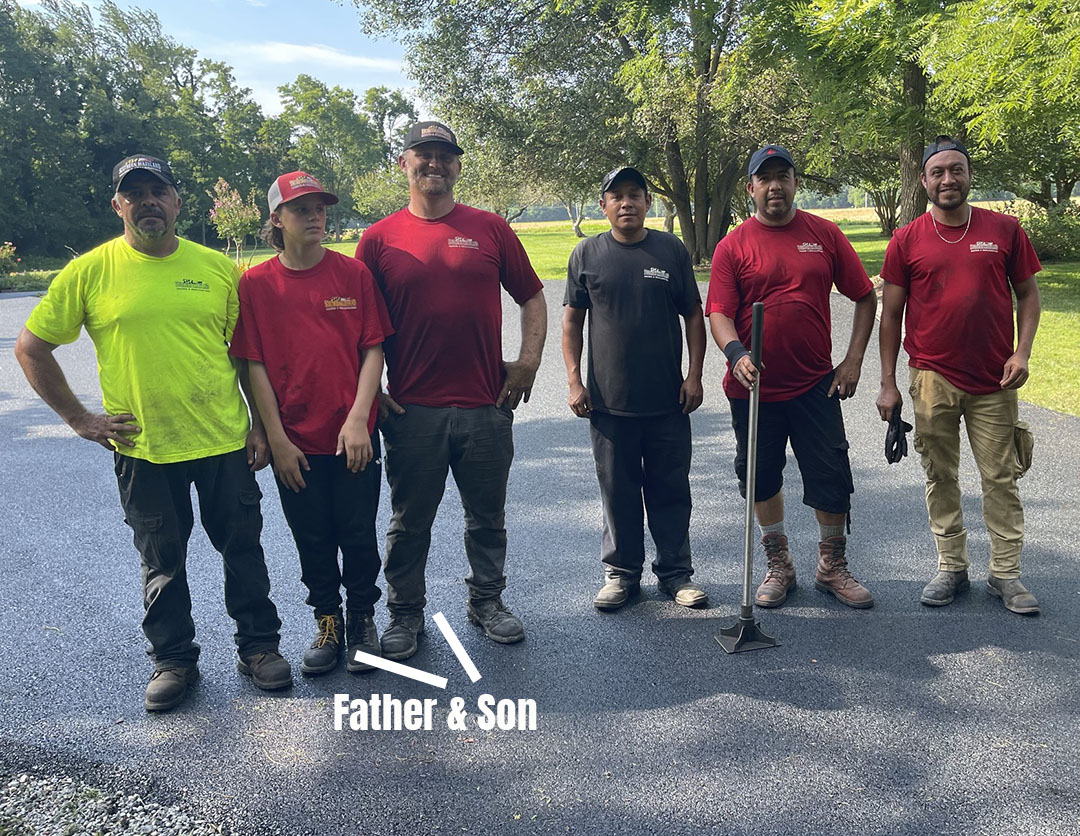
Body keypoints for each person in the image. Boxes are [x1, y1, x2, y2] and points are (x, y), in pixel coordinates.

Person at [14, 154, 291, 711]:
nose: (148, 202)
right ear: (118, 204)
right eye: (134, 194)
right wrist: (79, 419)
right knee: (162, 561)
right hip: (144, 449)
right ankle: (174, 661)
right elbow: (31, 348)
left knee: (243, 550)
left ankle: (259, 648)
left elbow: (248, 357)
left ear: (176, 201)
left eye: (157, 191)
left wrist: (262, 425)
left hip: (223, 442)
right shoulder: (89, 272)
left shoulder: (217, 269)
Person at [356, 121, 547, 660]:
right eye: (424, 155)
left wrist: (528, 363)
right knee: (408, 523)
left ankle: (486, 602)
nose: (434, 164)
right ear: (405, 164)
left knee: (487, 517)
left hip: (486, 406)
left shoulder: (489, 228)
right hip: (412, 410)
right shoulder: (377, 239)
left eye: (444, 155)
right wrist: (366, 391)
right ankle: (404, 614)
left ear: (458, 165)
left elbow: (532, 297)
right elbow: (356, 325)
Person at [229, 171, 393, 675]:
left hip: (353, 439)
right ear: (276, 219)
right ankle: (328, 622)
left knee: (359, 535)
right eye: (302, 209)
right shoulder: (256, 285)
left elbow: (373, 349)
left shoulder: (353, 275)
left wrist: (360, 420)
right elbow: (252, 364)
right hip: (296, 443)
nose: (315, 216)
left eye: (320, 208)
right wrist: (275, 439)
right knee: (313, 539)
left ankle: (362, 618)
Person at [707, 145, 877, 609]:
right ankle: (779, 565)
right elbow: (718, 312)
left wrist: (853, 360)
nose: (775, 186)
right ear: (751, 188)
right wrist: (736, 352)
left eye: (783, 176)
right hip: (754, 390)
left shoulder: (824, 234)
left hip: (815, 384)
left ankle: (831, 567)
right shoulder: (733, 245)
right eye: (765, 179)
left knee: (831, 475)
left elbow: (865, 296)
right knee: (760, 478)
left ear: (795, 183)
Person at [877, 136, 1042, 615]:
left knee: (1001, 476)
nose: (948, 179)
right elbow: (890, 316)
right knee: (940, 475)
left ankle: (1006, 575)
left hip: (996, 379)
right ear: (924, 180)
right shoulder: (907, 239)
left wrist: (1023, 352)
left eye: (957, 170)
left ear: (969, 175)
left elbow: (1028, 295)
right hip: (931, 378)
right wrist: (887, 383)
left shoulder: (1005, 230)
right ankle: (952, 566)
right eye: (938, 172)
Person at [562, 166, 708, 611]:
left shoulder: (671, 251)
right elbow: (571, 322)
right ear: (603, 205)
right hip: (608, 405)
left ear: (649, 203)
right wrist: (573, 380)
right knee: (618, 491)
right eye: (617, 196)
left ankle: (676, 574)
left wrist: (695, 374)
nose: (627, 203)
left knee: (670, 489)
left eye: (635, 195)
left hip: (667, 401)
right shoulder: (586, 254)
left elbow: (694, 316)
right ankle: (621, 574)